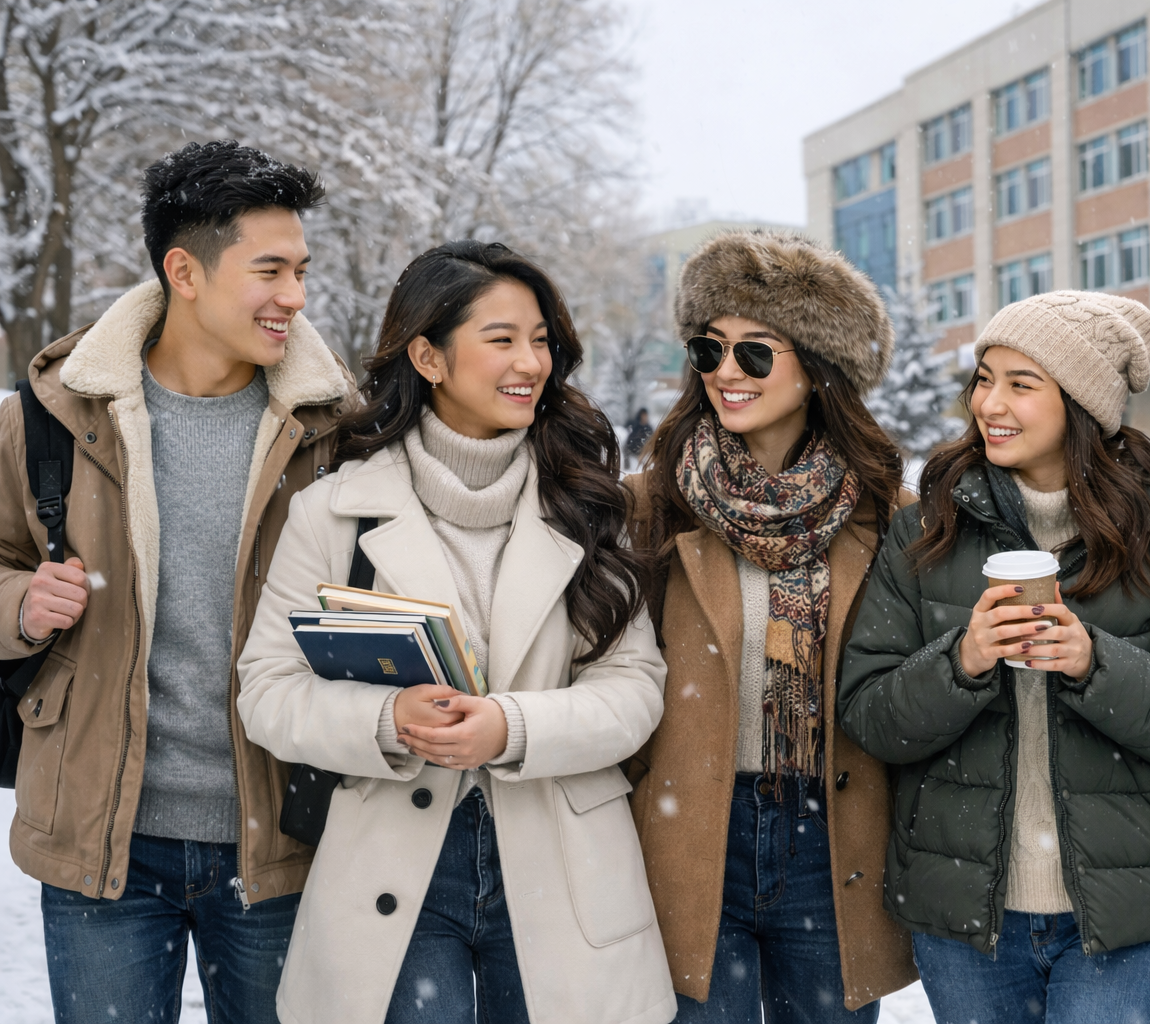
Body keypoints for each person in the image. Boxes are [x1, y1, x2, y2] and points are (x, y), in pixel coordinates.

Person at [235, 241, 674, 1024]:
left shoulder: (588, 502)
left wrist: (511, 726)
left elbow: (635, 688)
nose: (531, 362)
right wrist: (385, 720)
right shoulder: (334, 510)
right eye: (501, 339)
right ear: (429, 357)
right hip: (393, 862)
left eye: (541, 340)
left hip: (561, 859)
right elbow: (268, 691)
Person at [838, 291, 1150, 1024]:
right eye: (984, 378)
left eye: (1020, 383)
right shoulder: (924, 531)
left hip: (1121, 917)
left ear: (1082, 404)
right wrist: (962, 661)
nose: (988, 403)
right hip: (967, 914)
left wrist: (1096, 663)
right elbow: (871, 716)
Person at [0, 141, 344, 1024]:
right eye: (269, 269)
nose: (295, 296)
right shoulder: (51, 414)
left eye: (301, 269)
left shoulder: (333, 429)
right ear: (183, 270)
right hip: (102, 842)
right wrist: (19, 605)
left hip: (280, 837)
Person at [628, 230, 916, 1021]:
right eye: (708, 349)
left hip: (833, 839)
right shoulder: (652, 505)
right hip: (691, 832)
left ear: (818, 368)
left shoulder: (890, 516)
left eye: (755, 353)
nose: (725, 371)